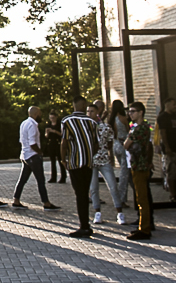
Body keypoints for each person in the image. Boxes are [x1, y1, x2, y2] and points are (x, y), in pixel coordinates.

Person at [60, 96, 100, 237]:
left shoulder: (67, 121)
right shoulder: (92, 122)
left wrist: (63, 159)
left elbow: (64, 142)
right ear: (84, 106)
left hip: (75, 163)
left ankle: (84, 226)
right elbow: (96, 144)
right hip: (88, 163)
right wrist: (89, 155)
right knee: (84, 193)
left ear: (74, 105)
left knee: (80, 195)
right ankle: (86, 224)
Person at [12, 106, 58, 210]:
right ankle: (46, 203)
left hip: (25, 155)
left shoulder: (23, 123)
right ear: (36, 114)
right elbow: (32, 143)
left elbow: (21, 140)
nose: (41, 116)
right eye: (40, 113)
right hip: (33, 156)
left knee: (22, 179)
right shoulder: (32, 125)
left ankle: (16, 200)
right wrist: (40, 152)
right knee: (40, 180)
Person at [88, 104, 123, 225]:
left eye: (92, 111)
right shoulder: (86, 127)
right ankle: (97, 212)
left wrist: (107, 154)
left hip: (103, 160)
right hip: (91, 162)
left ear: (97, 112)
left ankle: (119, 212)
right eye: (88, 111)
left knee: (113, 186)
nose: (89, 114)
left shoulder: (105, 127)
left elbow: (109, 143)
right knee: (94, 188)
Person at [125, 101, 154, 241]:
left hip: (139, 165)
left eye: (133, 111)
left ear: (141, 112)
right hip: (140, 164)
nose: (130, 114)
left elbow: (126, 144)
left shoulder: (139, 129)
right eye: (129, 111)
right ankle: (144, 224)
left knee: (142, 198)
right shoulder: (143, 127)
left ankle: (145, 229)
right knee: (141, 197)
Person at [156, 97, 176, 201]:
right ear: (167, 104)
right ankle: (173, 194)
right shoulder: (163, 117)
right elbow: (163, 133)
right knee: (171, 171)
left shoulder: (173, 116)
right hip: (170, 148)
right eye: (174, 104)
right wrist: (167, 147)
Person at [108, 99, 132, 221]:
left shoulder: (111, 120)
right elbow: (130, 131)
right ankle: (121, 198)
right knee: (124, 172)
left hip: (115, 144)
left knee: (125, 170)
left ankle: (124, 195)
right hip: (123, 143)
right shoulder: (123, 118)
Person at [44, 111, 64, 183]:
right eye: (50, 118)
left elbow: (62, 134)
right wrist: (47, 132)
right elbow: (46, 136)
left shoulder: (59, 125)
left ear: (56, 117)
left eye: (53, 118)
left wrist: (54, 131)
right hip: (51, 144)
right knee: (52, 162)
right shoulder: (48, 125)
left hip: (58, 143)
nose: (51, 119)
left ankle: (63, 177)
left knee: (60, 160)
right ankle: (53, 177)